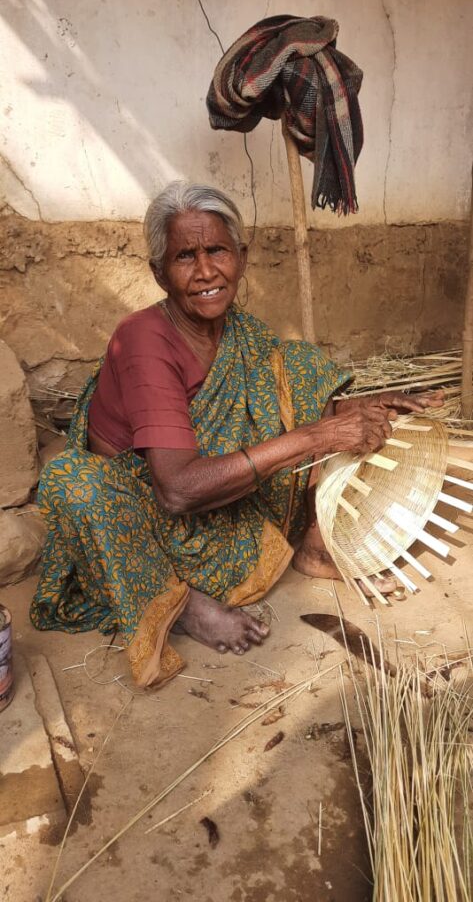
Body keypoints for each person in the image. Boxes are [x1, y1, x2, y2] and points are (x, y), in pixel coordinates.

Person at [30, 182, 443, 687]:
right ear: (158, 272)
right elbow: (177, 489)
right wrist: (320, 435)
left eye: (217, 250)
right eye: (185, 256)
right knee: (72, 483)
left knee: (296, 365)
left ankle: (313, 546)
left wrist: (359, 410)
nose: (206, 271)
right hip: (146, 521)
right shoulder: (144, 339)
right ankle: (182, 606)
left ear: (242, 258)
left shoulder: (242, 333)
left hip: (225, 510)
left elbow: (288, 399)